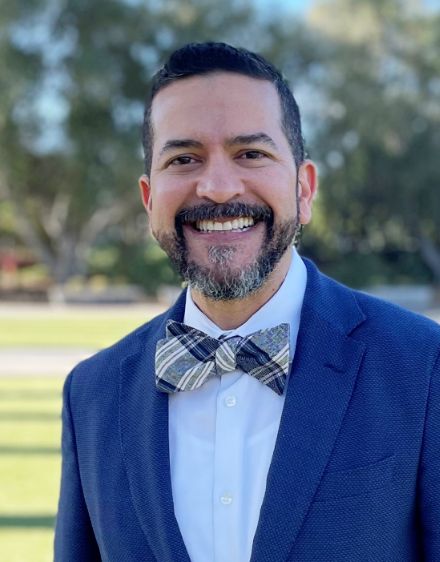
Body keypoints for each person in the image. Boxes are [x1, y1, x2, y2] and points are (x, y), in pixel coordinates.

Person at [54, 42, 440, 561]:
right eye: (184, 158)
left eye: (251, 154)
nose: (216, 187)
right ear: (150, 199)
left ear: (304, 189)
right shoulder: (91, 395)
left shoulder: (423, 367)